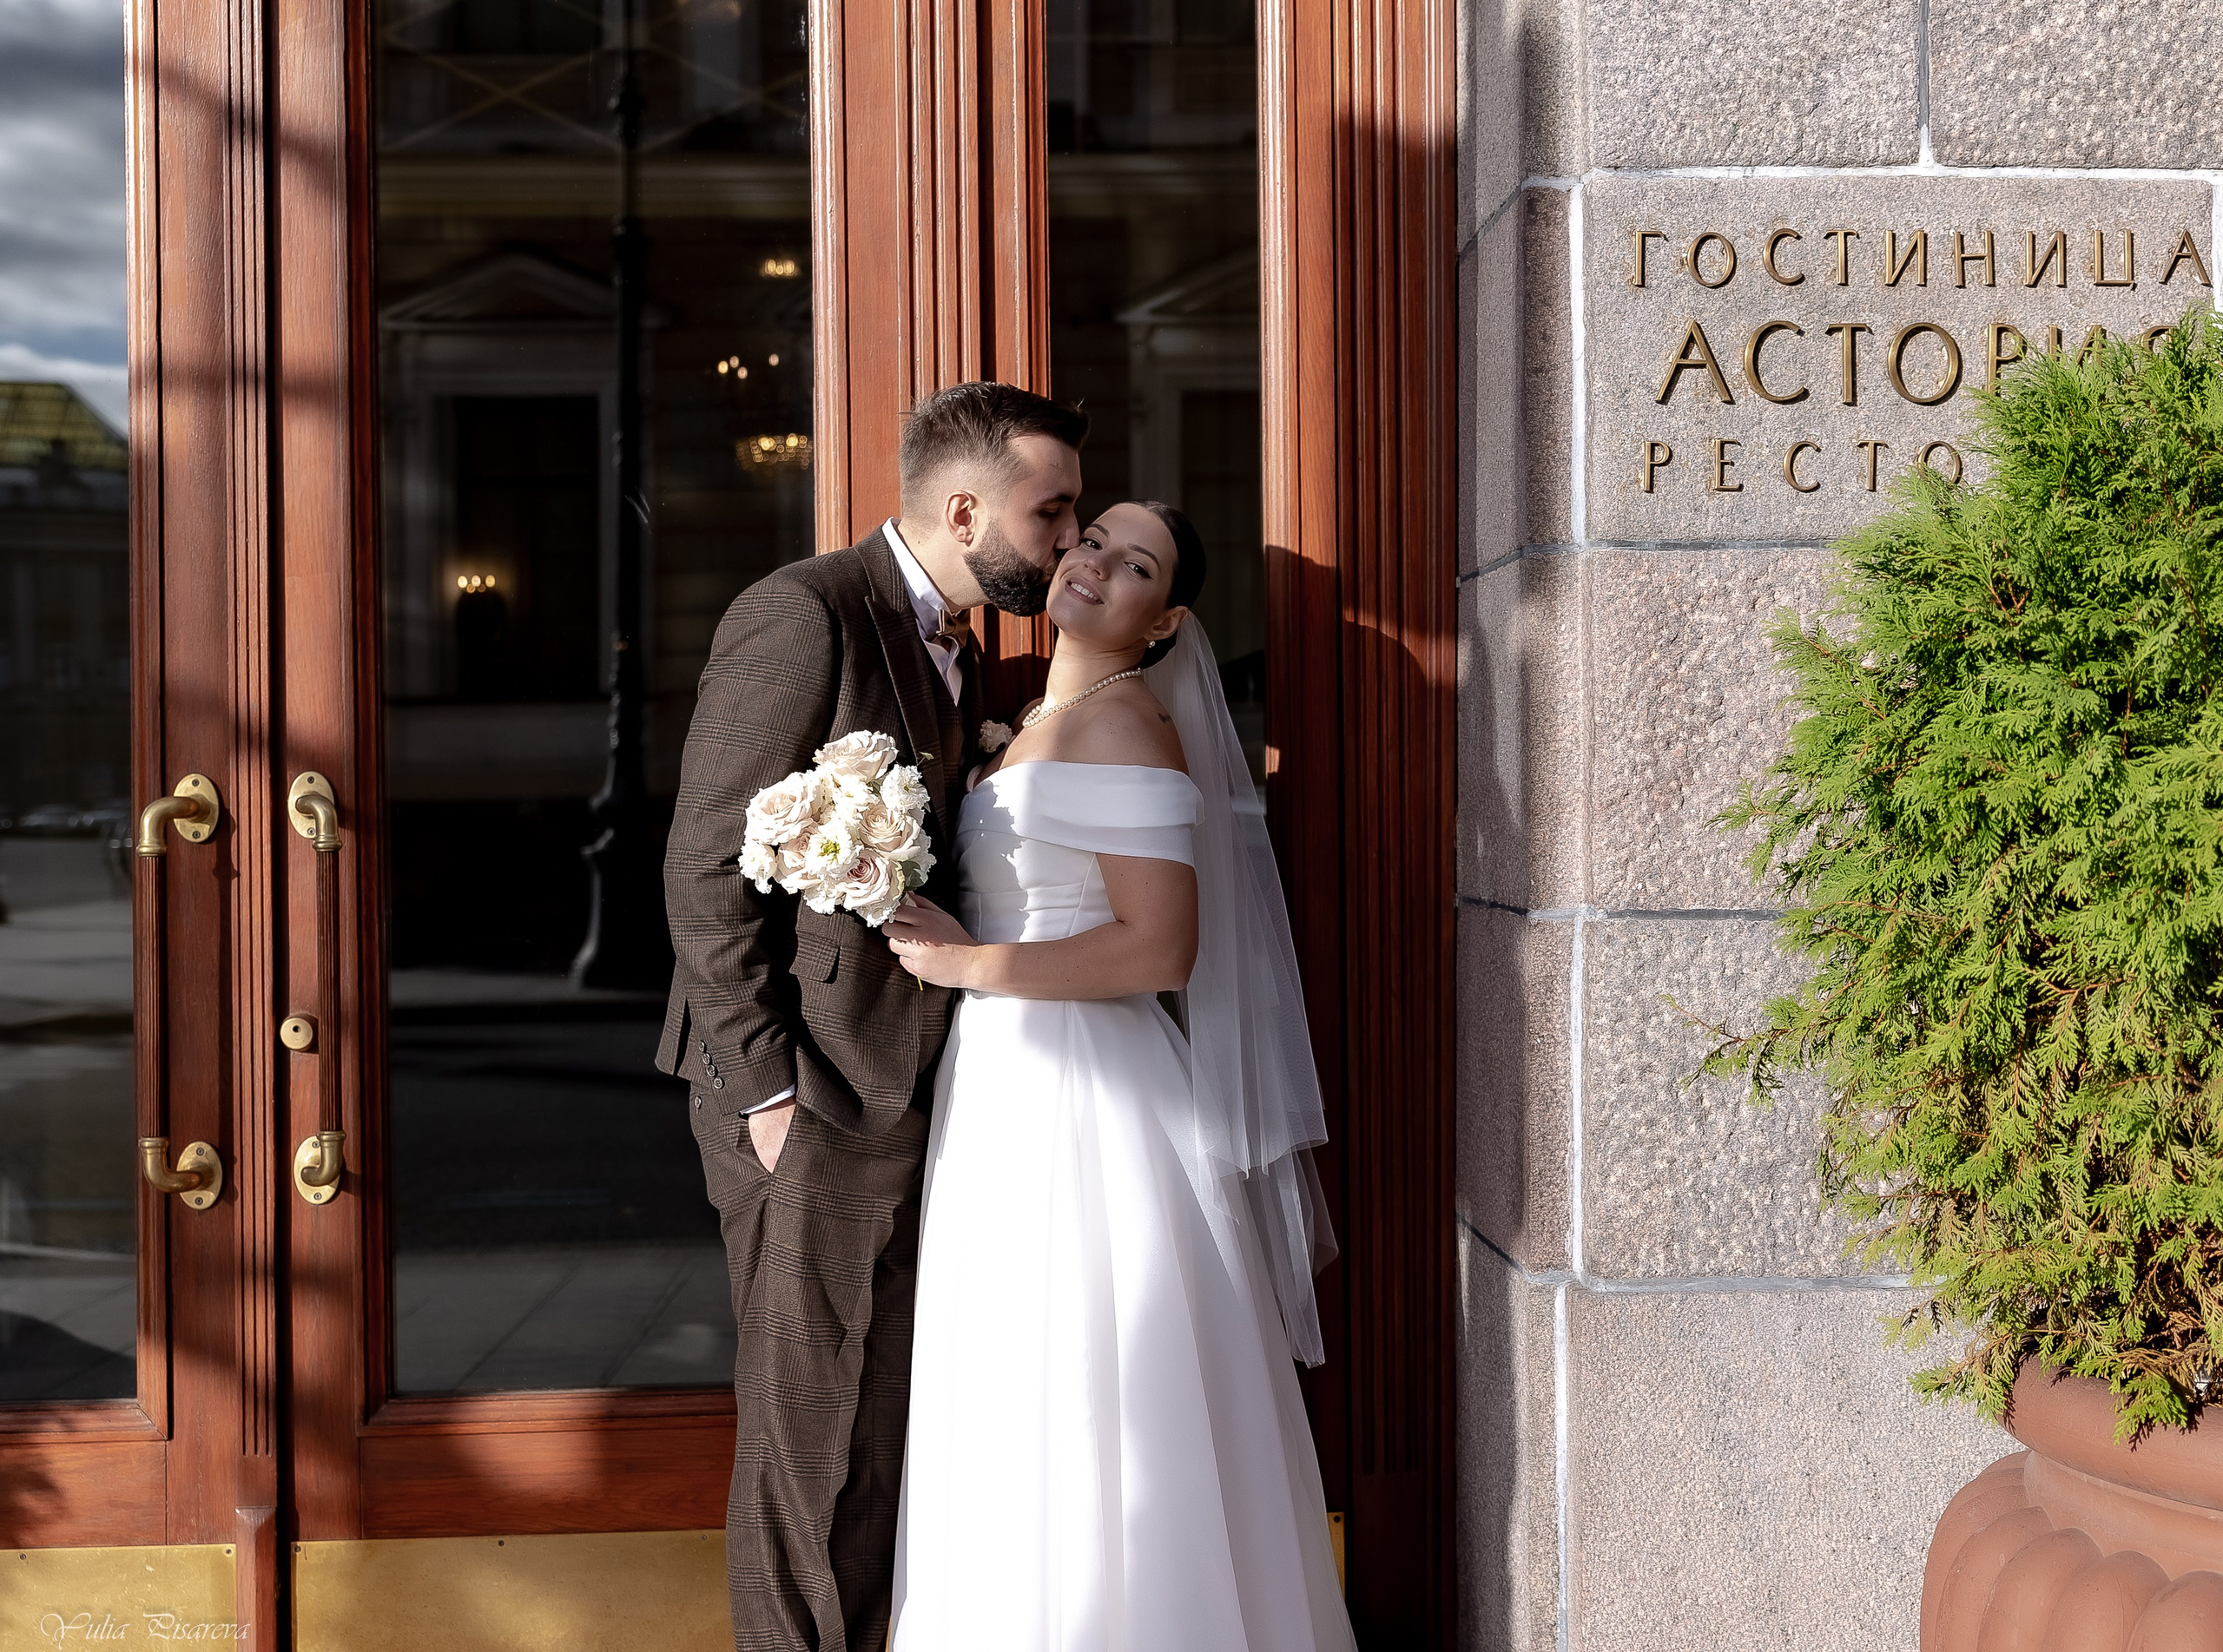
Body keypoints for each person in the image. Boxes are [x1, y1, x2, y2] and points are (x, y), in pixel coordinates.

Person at [883, 501, 1357, 1651]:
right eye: (1092, 538)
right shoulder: (1037, 718)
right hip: (1005, 1082)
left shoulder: (1128, 727)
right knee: (1015, 1382)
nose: (1094, 562)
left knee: (1090, 1384)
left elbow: (1160, 950)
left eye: (1134, 564)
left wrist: (966, 962)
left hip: (1086, 1097)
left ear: (1166, 621)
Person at [657, 381, 1087, 1652]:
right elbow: (702, 866)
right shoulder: (804, 615)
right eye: (1049, 512)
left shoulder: (958, 646)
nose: (1068, 539)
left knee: (883, 1424)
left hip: (912, 1083)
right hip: (811, 1090)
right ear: (964, 511)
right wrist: (765, 1088)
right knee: (809, 1439)